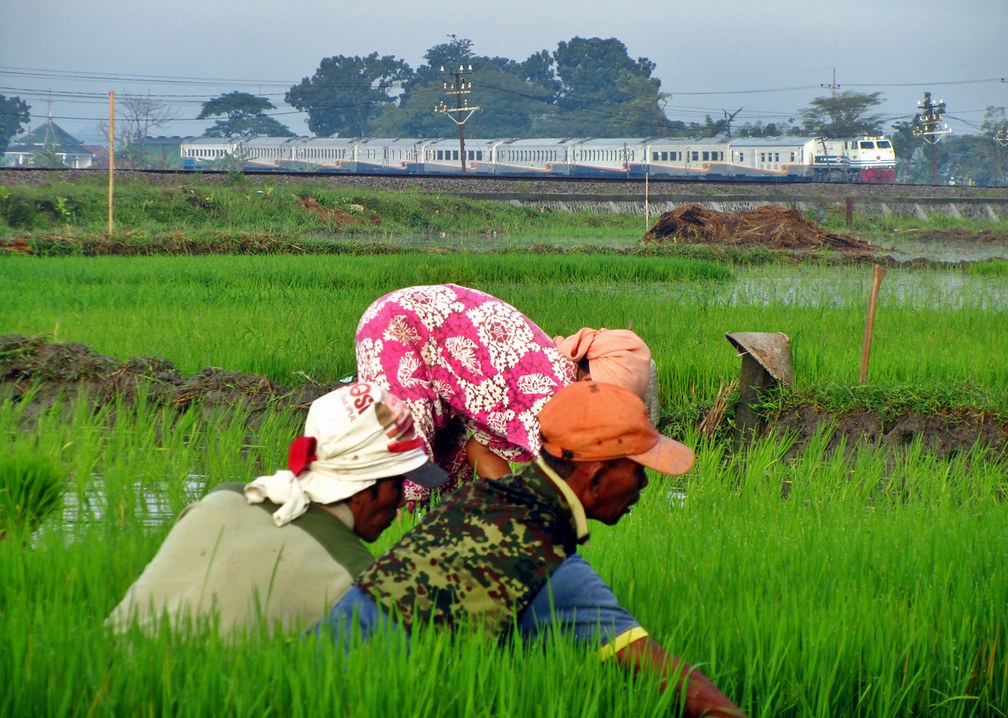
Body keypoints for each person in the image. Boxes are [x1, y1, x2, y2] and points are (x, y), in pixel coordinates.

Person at [320, 382, 744, 717]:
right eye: (637, 470)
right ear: (595, 479)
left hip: (314, 671)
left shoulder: (474, 499)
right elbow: (679, 684)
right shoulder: (554, 570)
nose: (645, 485)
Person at [105, 381, 446, 637]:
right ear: (364, 484)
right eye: (398, 483)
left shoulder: (222, 500)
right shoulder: (354, 582)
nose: (402, 499)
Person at [355, 283, 654, 506]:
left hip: (426, 339)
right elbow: (565, 481)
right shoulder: (551, 394)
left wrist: (515, 509)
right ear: (587, 380)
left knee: (453, 458)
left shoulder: (552, 374)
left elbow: (480, 448)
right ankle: (399, 543)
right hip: (397, 328)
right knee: (407, 452)